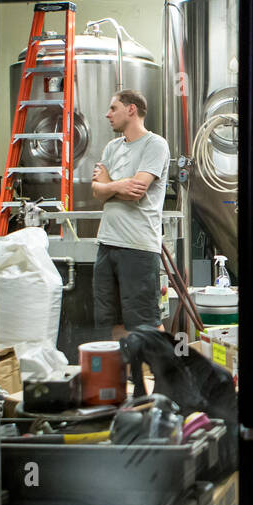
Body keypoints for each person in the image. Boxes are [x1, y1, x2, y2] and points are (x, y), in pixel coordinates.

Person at [89, 89, 170, 339]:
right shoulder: (112, 147)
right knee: (113, 321)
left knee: (145, 322)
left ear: (131, 109)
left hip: (138, 246)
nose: (107, 114)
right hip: (107, 243)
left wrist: (108, 184)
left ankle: (163, 375)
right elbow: (96, 191)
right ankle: (126, 376)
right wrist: (116, 186)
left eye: (113, 108)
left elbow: (136, 190)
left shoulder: (155, 144)